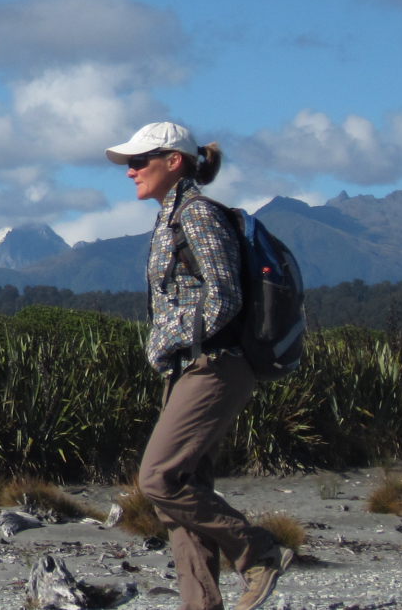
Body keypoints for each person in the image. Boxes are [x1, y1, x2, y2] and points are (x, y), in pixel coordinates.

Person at [106, 122, 292, 610]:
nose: (130, 172)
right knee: (182, 499)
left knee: (158, 479)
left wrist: (169, 338)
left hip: (215, 365)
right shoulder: (170, 218)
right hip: (189, 368)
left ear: (175, 161)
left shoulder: (198, 215)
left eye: (139, 161)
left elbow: (225, 295)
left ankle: (258, 550)